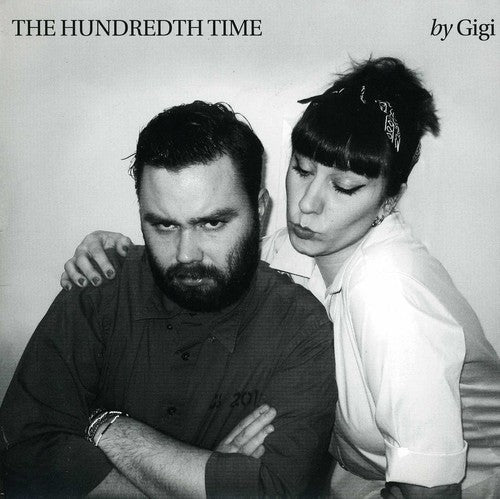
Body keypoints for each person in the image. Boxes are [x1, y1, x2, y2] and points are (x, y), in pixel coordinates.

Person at [60, 57, 500, 498]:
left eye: (344, 187)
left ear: (388, 201)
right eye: (302, 170)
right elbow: (216, 254)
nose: (307, 204)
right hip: (354, 474)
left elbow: (432, 492)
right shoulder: (297, 246)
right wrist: (117, 254)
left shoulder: (389, 292)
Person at [0, 101, 337, 497]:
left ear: (260, 211)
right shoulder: (98, 287)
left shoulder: (301, 329)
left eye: (212, 223)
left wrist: (108, 426)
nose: (185, 254)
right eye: (163, 225)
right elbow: (23, 453)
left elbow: (272, 491)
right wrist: (196, 480)